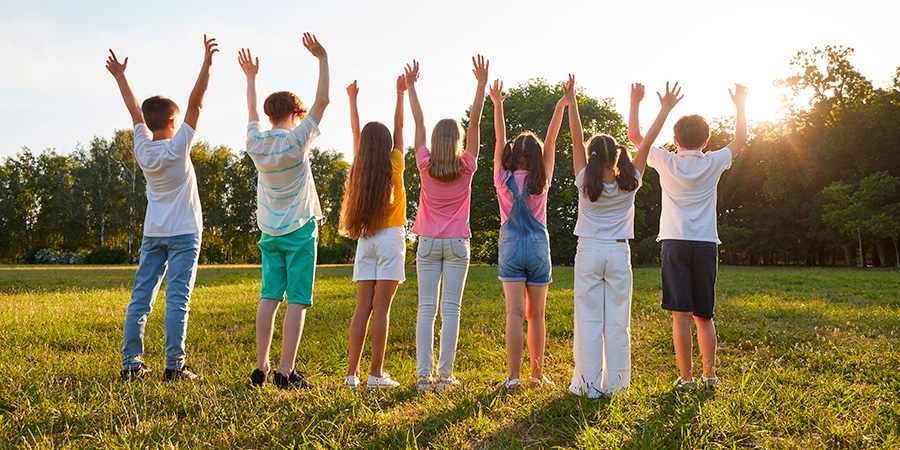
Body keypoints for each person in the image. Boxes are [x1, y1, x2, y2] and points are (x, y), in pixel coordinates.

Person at [106, 35, 218, 382]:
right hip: (185, 233)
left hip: (153, 233)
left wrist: (120, 77)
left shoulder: (142, 148)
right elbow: (197, 103)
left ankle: (131, 366)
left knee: (141, 298)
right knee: (177, 299)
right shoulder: (178, 148)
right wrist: (207, 63)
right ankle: (174, 367)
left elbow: (134, 111)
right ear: (173, 123)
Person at [564, 76, 682, 397]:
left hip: (589, 251)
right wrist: (661, 108)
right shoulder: (630, 181)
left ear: (591, 156)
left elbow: (576, 139)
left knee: (588, 320)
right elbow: (647, 141)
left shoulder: (583, 180)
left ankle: (586, 387)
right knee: (618, 322)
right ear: (616, 157)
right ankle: (616, 387)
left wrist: (572, 101)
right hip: (618, 253)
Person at [630, 82, 748, 390]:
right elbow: (740, 140)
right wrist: (740, 104)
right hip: (706, 244)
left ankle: (686, 378)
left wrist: (636, 101)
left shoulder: (666, 161)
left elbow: (636, 137)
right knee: (704, 316)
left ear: (674, 140)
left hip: (674, 244)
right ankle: (710, 376)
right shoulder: (713, 161)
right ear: (706, 141)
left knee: (680, 315)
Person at [239, 33, 330, 389]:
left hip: (270, 232)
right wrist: (322, 58)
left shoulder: (255, 144)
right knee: (298, 301)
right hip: (300, 230)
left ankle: (260, 366)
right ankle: (285, 371)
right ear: (294, 115)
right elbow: (323, 100)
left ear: (269, 115)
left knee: (269, 296)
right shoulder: (296, 141)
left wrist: (251, 78)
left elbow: (251, 112)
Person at [406, 56, 488, 392]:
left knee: (426, 309)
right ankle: (444, 377)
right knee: (451, 311)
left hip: (427, 243)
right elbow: (476, 123)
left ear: (434, 140)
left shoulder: (424, 164)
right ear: (457, 140)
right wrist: (481, 85)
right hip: (457, 244)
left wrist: (411, 87)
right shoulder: (467, 165)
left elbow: (419, 121)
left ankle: (423, 377)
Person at [488, 77, 566, 390]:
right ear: (537, 157)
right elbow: (552, 138)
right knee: (537, 315)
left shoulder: (501, 177)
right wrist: (561, 104)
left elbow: (499, 138)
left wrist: (498, 104)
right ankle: (537, 375)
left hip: (509, 246)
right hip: (537, 247)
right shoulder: (542, 177)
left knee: (514, 313)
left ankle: (513, 377)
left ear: (510, 156)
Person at [340, 69, 408, 391]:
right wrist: (401, 94)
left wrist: (352, 100)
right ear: (387, 145)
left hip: (366, 241)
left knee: (362, 309)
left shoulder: (360, 165)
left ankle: (351, 375)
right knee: (381, 309)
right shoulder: (395, 163)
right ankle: (375, 375)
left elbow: (356, 132)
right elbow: (400, 128)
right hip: (391, 238)